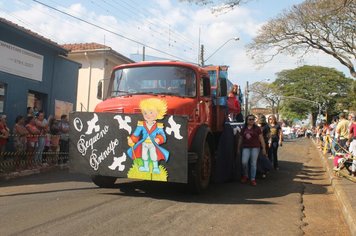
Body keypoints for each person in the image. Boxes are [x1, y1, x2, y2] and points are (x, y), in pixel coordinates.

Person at [127, 98, 169, 174]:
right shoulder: (141, 124)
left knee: (154, 156)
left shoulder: (159, 126)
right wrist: (132, 140)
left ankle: (155, 168)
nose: (148, 115)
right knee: (144, 156)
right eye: (145, 113)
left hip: (153, 144)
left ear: (158, 113)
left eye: (151, 112)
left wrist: (159, 139)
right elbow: (136, 134)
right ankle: (146, 167)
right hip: (144, 143)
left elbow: (163, 136)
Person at [238, 114, 267, 186]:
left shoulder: (257, 128)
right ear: (247, 120)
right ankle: (246, 175)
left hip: (255, 148)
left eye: (252, 119)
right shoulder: (244, 129)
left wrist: (264, 148)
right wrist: (238, 148)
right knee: (244, 162)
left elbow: (261, 139)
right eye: (249, 119)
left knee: (253, 163)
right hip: (246, 147)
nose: (251, 121)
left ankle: (252, 179)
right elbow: (240, 139)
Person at [257, 114, 271, 179]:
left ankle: (264, 171)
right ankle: (259, 171)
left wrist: (269, 142)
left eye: (261, 118)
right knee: (258, 158)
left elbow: (269, 135)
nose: (260, 120)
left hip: (264, 144)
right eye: (259, 118)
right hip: (256, 144)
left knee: (263, 157)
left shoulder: (266, 126)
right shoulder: (256, 125)